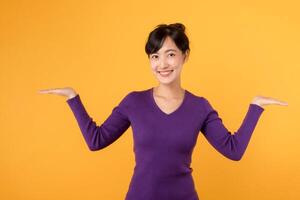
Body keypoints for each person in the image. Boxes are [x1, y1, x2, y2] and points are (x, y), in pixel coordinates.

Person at [38, 23, 288, 200]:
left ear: (184, 56)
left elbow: (233, 150)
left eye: (170, 54)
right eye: (155, 56)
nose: (162, 64)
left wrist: (255, 107)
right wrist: (73, 98)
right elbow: (96, 141)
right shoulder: (133, 102)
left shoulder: (200, 107)